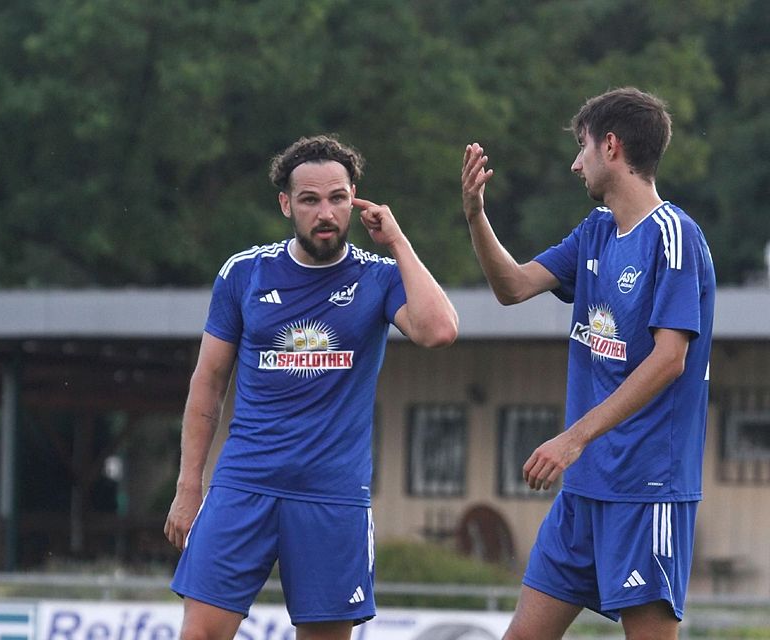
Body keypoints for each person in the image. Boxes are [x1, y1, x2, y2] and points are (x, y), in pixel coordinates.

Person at [165, 134, 459, 640]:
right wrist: (189, 485)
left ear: (355, 199)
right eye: (310, 199)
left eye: (338, 198)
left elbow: (439, 331)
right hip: (244, 484)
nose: (326, 212)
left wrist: (398, 241)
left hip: (333, 495)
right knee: (201, 633)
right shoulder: (244, 274)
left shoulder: (380, 277)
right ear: (286, 204)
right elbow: (208, 384)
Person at [461, 87, 715, 639]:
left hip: (646, 490)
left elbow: (670, 359)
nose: (576, 163)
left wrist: (572, 438)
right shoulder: (595, 231)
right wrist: (477, 217)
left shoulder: (676, 239)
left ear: (612, 146)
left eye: (583, 147)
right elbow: (512, 286)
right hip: (584, 492)